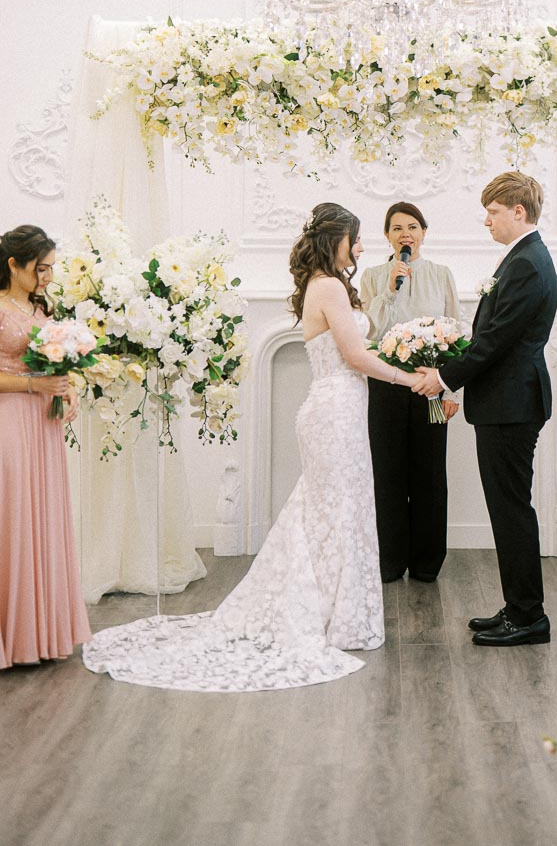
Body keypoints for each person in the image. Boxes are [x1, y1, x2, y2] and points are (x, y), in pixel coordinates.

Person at [82, 203, 419, 691]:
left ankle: (332, 610)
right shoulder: (326, 286)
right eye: (357, 238)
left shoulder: (328, 286)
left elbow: (360, 346)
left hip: (338, 408)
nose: (363, 246)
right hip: (334, 410)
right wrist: (410, 379)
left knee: (333, 509)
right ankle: (330, 613)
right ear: (335, 241)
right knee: (334, 510)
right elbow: (354, 355)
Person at [413, 172, 557, 647]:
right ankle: (518, 607)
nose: (487, 221)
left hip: (511, 404)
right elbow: (491, 335)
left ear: (519, 212)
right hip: (506, 401)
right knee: (507, 507)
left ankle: (529, 616)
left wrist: (445, 376)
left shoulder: (527, 263)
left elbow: (496, 341)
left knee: (511, 509)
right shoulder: (521, 258)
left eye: (493, 212)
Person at [0, 224, 90, 668]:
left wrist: (66, 388)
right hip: (11, 421)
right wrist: (35, 384)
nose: (47, 278)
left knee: (42, 517)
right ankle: (12, 640)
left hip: (43, 425)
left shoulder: (40, 306)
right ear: (14, 264)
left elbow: (56, 361)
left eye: (51, 269)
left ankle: (39, 636)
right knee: (14, 520)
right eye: (41, 269)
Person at [359, 201, 461, 584]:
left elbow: (458, 331)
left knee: (430, 475)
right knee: (387, 475)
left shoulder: (441, 274)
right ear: (387, 236)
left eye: (413, 227)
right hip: (385, 386)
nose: (406, 234)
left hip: (431, 388)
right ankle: (389, 560)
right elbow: (369, 332)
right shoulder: (372, 276)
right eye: (398, 228)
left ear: (423, 233)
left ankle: (426, 563)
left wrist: (452, 390)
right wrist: (388, 289)